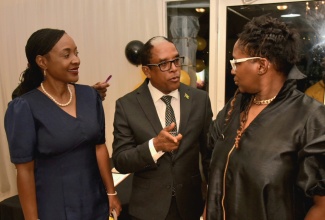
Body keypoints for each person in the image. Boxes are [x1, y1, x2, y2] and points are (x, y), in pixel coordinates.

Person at [205, 15, 325, 220]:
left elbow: (321, 206)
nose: (232, 69)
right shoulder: (233, 108)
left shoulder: (310, 119)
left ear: (261, 65)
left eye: (236, 61)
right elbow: (216, 177)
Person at [4, 28, 121, 220]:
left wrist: (111, 193)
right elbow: (24, 171)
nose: (76, 60)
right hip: (54, 209)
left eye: (76, 53)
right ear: (42, 62)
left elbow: (100, 147)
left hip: (96, 204)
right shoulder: (24, 108)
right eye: (67, 55)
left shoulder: (90, 96)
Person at [112, 36, 213, 220]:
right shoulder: (127, 105)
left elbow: (209, 156)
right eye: (164, 64)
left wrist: (212, 200)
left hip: (190, 206)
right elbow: (120, 160)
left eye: (176, 60)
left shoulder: (200, 100)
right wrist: (154, 146)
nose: (174, 68)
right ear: (147, 71)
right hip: (148, 209)